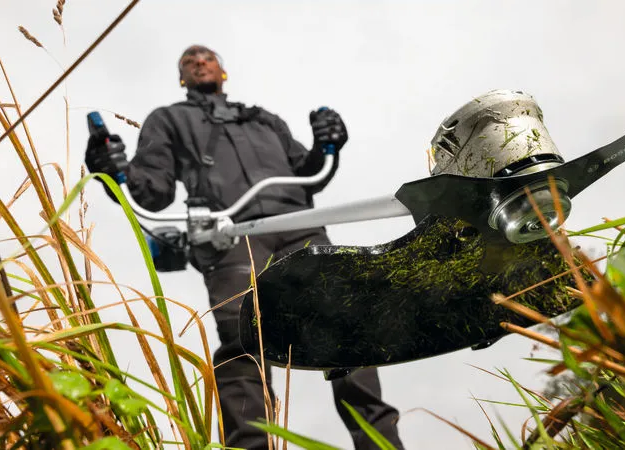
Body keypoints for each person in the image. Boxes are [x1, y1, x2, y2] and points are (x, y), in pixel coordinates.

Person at [84, 44, 405, 450]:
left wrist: (330, 146)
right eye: (189, 61)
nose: (199, 61)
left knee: (343, 322)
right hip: (231, 236)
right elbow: (154, 192)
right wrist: (112, 170)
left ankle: (381, 444)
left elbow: (307, 173)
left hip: (297, 227)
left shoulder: (264, 121)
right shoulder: (169, 120)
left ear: (223, 70)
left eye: (207, 57)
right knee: (243, 342)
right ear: (182, 77)